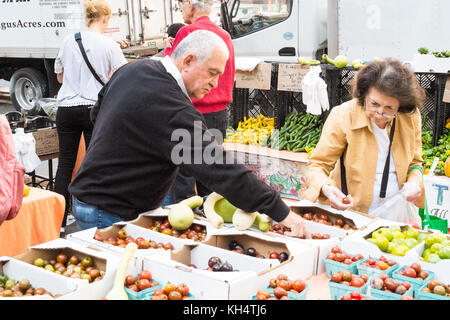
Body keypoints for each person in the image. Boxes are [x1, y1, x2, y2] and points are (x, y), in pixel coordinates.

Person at [68, 30, 311, 239]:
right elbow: (219, 168)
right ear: (188, 61)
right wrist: (282, 212)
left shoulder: (133, 69)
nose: (215, 84)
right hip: (110, 211)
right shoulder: (173, 108)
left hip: (92, 200)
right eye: (212, 73)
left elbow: (97, 113)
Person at [300, 58, 426, 215]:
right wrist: (327, 188)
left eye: (389, 108)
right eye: (374, 104)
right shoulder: (343, 115)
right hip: (353, 213)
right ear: (363, 95)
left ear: (401, 105)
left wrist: (414, 182)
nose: (380, 113)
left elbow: (415, 162)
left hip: (397, 213)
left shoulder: (410, 117)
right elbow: (318, 164)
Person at [53, 0, 127, 234]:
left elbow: (60, 78)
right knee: (93, 163)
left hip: (66, 109)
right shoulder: (110, 45)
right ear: (104, 19)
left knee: (65, 164)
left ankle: (58, 222)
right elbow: (119, 80)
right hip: (93, 109)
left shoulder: (68, 40)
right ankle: (91, 216)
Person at [164, 0, 236, 204]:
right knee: (211, 171)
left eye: (181, 5)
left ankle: (188, 225)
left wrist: (168, 50)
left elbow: (173, 70)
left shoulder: (187, 33)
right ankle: (211, 218)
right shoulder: (224, 36)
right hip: (218, 114)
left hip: (190, 112)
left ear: (189, 4)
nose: (181, 10)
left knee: (184, 175)